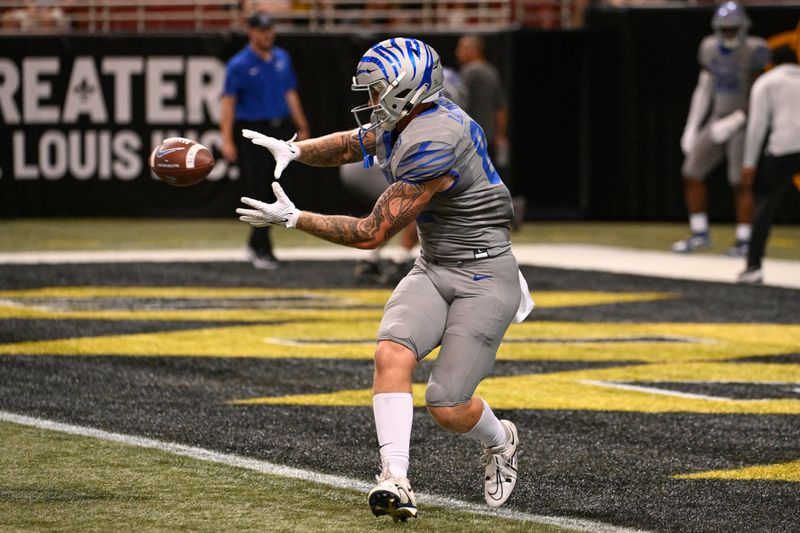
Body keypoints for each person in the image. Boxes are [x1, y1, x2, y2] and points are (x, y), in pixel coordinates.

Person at [235, 37, 534, 520]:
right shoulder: (411, 116)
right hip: (436, 265)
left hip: (483, 272)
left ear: (405, 91)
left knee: (447, 404)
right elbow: (355, 143)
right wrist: (293, 151)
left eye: (377, 92)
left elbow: (372, 232)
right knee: (390, 351)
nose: (371, 102)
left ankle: (502, 440)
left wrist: (294, 219)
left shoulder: (436, 140)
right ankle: (395, 478)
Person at [673, 1, 771, 257]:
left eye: (733, 28)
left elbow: (762, 93)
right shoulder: (708, 48)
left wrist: (737, 119)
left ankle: (744, 239)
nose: (728, 33)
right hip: (717, 117)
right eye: (725, 29)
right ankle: (699, 233)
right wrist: (691, 127)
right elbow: (704, 89)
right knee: (691, 171)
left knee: (740, 181)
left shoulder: (755, 50)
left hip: (744, 121)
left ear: (743, 27)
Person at [220, 10, 310, 269]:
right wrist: (226, 139)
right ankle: (260, 246)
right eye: (262, 30)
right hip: (254, 131)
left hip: (280, 128)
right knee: (261, 188)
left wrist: (301, 125)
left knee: (279, 187)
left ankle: (258, 244)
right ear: (251, 32)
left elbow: (289, 93)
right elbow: (228, 103)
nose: (267, 34)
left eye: (270, 29)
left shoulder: (282, 57)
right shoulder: (239, 64)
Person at [738, 45, 800, 284]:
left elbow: (757, 125)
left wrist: (749, 163)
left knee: (765, 205)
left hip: (783, 146)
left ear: (771, 63)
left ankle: (753, 266)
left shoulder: (767, 82)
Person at [455, 34, 525, 230]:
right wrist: (499, 134)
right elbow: (501, 108)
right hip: (487, 135)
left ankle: (505, 211)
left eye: (462, 48)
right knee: (487, 178)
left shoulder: (470, 72)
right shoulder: (491, 72)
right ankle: (510, 209)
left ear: (473, 50)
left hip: (469, 136)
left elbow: (458, 105)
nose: (458, 53)